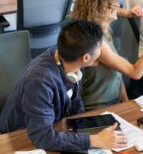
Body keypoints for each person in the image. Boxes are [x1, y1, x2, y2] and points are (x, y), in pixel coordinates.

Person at [0, 19, 127, 152]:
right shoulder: (40, 81)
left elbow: (76, 102)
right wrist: (95, 140)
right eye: (100, 48)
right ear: (86, 58)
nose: (101, 52)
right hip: (19, 139)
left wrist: (85, 129)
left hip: (52, 127)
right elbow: (42, 137)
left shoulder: (69, 58)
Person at [70, 0, 143, 109]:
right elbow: (135, 73)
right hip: (96, 110)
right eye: (111, 4)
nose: (117, 5)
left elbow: (118, 71)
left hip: (114, 102)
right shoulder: (95, 42)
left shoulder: (104, 32)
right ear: (96, 9)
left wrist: (125, 101)